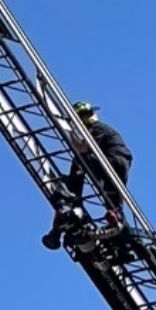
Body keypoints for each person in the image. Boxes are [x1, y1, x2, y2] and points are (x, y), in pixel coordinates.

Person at [42, 100, 133, 250]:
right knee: (111, 194)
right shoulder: (101, 128)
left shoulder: (96, 128)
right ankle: (119, 225)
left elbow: (83, 149)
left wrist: (69, 131)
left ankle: (72, 194)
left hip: (112, 159)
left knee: (80, 160)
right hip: (120, 162)